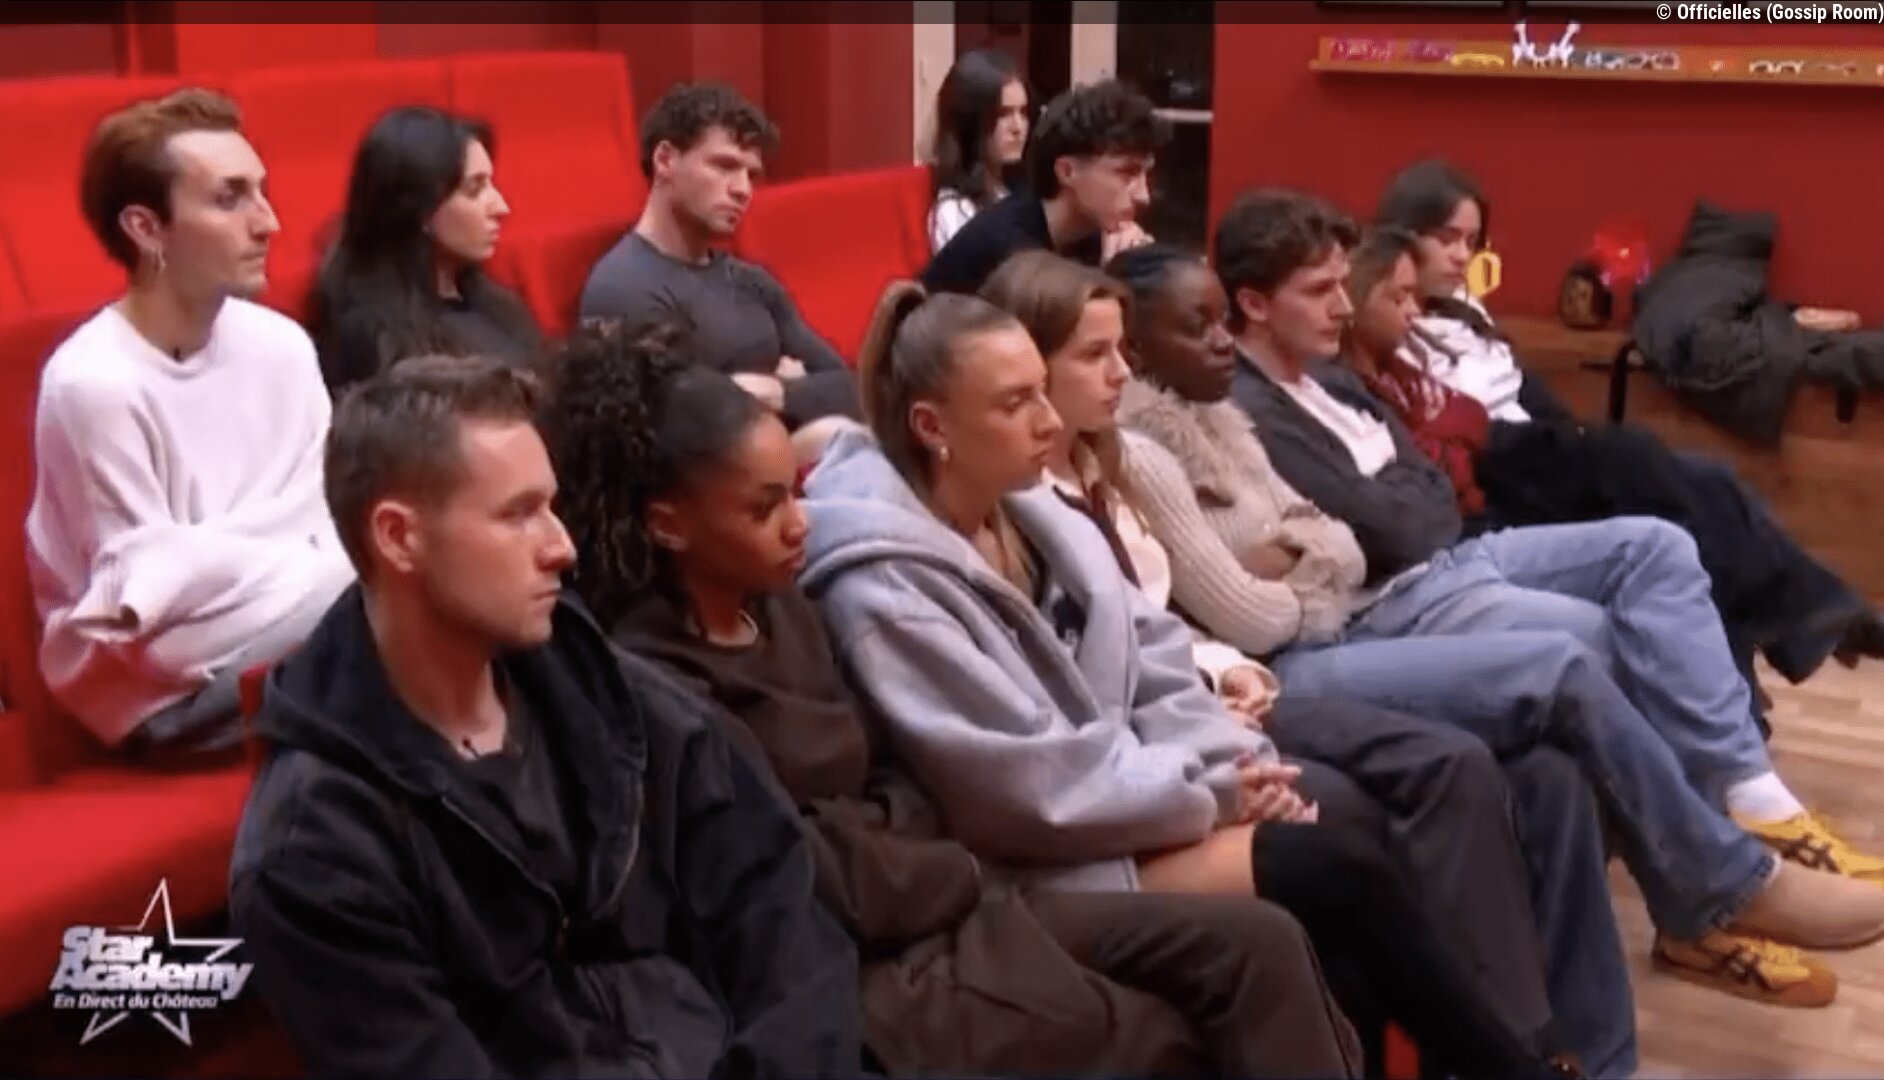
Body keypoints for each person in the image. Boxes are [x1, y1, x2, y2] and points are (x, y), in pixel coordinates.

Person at [540, 317, 1365, 1080]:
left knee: (1260, 947)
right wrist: (934, 858)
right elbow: (800, 866)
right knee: (1161, 1035)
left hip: (952, 897)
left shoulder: (785, 606)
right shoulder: (657, 682)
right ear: (669, 525)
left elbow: (900, 774)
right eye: (764, 508)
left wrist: (910, 845)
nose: (800, 523)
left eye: (793, 491)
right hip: (864, 963)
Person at [799, 281, 1582, 1080]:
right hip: (1025, 862)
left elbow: (1159, 657)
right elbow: (1020, 790)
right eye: (1014, 403)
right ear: (932, 427)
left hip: (1125, 804)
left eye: (1041, 390)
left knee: (1340, 874)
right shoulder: (884, 588)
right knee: (1332, 868)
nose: (1048, 420)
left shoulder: (1030, 511)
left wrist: (1227, 765)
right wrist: (1211, 794)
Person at [1107, 240, 1883, 1011]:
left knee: (1655, 548)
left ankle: (1740, 816)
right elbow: (1265, 607)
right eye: (1198, 325)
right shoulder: (1156, 450)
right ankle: (1724, 885)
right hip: (1302, 656)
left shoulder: (1226, 418)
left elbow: (1368, 521)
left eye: (1219, 320)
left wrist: (1308, 553)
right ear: (1136, 348)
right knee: (1571, 657)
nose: (1221, 341)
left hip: (1379, 594)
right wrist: (1319, 555)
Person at [1216, 188, 1884, 887]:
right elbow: (1393, 523)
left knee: (1661, 542)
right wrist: (1414, 497)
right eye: (1320, 290)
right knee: (1611, 627)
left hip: (1448, 554)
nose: (1342, 305)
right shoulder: (1259, 405)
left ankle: (1753, 794)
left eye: (1342, 286)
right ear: (1254, 303)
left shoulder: (1327, 382)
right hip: (1398, 594)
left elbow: (1429, 490)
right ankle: (1714, 866)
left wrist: (1414, 496)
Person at [228, 354, 864, 1079]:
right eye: (518, 514)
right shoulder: (313, 857)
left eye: (552, 507)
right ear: (399, 537)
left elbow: (778, 914)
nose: (562, 548)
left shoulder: (602, 688)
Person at [1373, 157, 1884, 695]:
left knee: (1708, 487)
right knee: (1641, 461)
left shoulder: (1462, 307)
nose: (1461, 255)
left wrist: (1568, 436)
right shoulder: (1385, 317)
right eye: (1446, 239)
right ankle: (1809, 629)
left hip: (1536, 447)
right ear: (1403, 232)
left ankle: (1779, 658)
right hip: (1491, 464)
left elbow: (1520, 386)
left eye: (1471, 241)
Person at [24, 87, 354, 765]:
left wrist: (209, 563)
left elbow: (333, 519)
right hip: (166, 702)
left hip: (305, 624)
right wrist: (310, 564)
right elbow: (153, 641)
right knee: (405, 610)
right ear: (146, 228)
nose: (268, 222)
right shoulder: (93, 384)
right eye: (230, 199)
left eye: (261, 192)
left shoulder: (282, 346)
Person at [578, 82, 859, 432]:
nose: (743, 189)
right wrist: (795, 392)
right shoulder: (624, 286)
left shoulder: (753, 281)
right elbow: (684, 430)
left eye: (751, 174)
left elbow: (849, 387)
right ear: (665, 160)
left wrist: (781, 394)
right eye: (724, 166)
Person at [307, 105, 542, 395]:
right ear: (421, 209)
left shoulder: (496, 303)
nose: (501, 208)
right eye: (474, 190)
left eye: (491, 184)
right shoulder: (373, 336)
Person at [921, 79, 1163, 296]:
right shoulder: (1010, 252)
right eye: (1126, 173)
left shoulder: (1091, 233)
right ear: (1067, 172)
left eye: (1146, 174)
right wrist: (1111, 279)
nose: (1144, 196)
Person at [927, 48, 1032, 253]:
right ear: (971, 123)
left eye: (1023, 112)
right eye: (1003, 114)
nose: (1018, 127)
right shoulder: (955, 213)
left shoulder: (1017, 191)